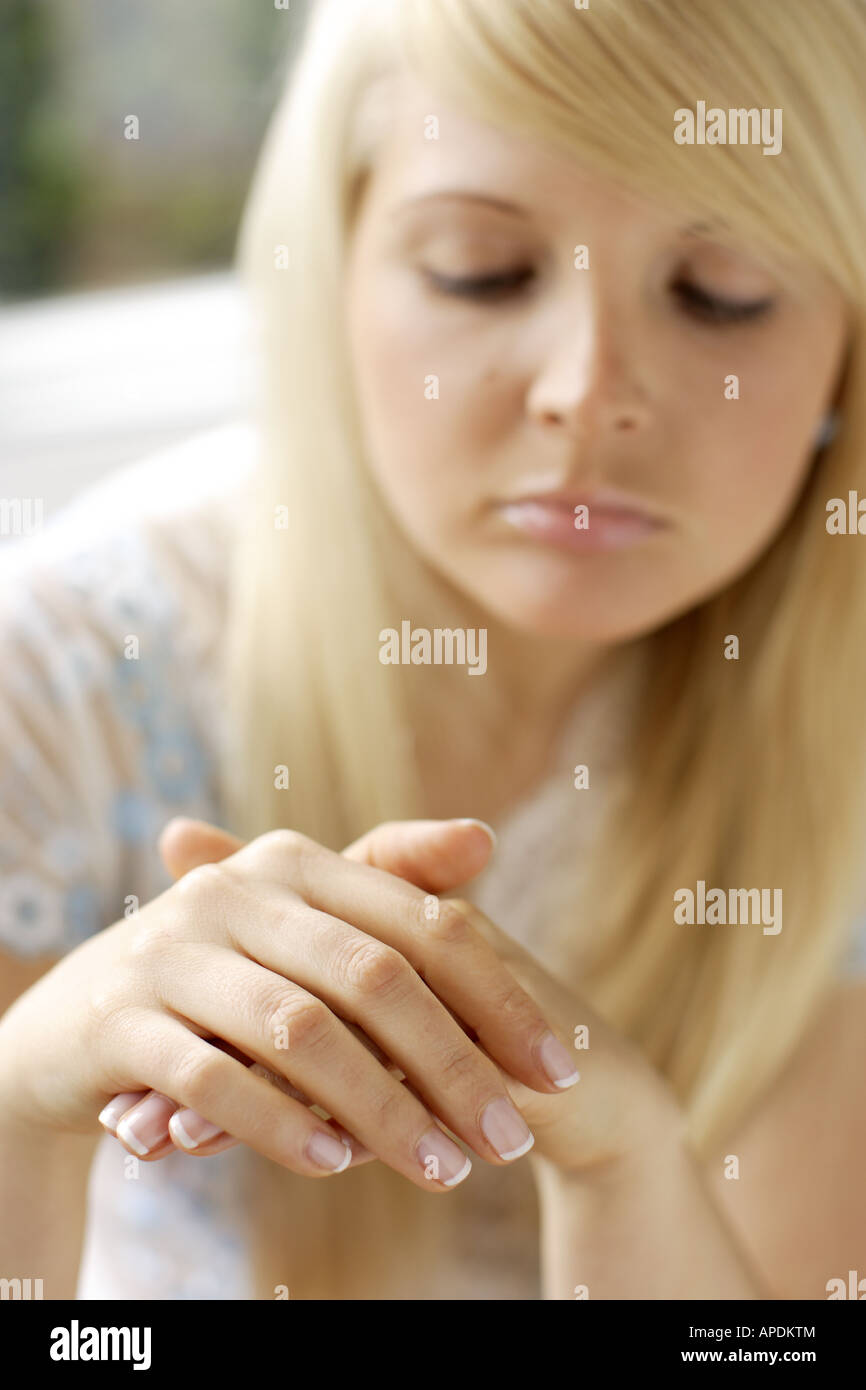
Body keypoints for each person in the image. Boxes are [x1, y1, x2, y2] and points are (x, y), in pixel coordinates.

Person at [2, 0, 865, 1301]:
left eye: (719, 293)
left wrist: (624, 1160)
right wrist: (23, 1099)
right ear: (332, 274)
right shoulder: (62, 679)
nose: (588, 385)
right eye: (478, 269)